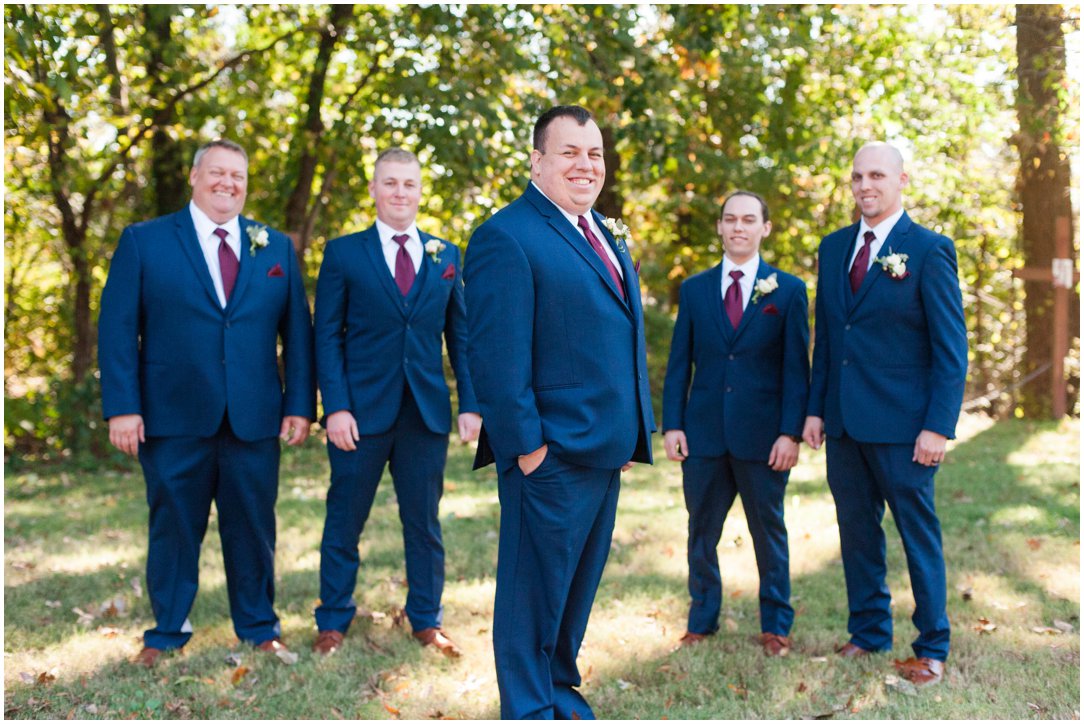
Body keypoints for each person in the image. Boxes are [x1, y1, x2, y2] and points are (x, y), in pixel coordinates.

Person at [464, 105, 655, 719]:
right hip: (548, 455)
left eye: (594, 153)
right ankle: (527, 707)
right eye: (569, 151)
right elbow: (496, 358)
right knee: (531, 597)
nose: (585, 164)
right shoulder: (508, 235)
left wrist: (628, 434)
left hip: (601, 451)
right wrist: (529, 451)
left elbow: (615, 337)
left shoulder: (597, 230)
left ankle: (558, 691)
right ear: (537, 161)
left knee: (574, 590)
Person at [98, 139, 315, 667]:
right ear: (195, 177)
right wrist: (122, 407)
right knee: (173, 526)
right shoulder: (144, 242)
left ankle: (260, 626)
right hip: (173, 416)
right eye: (217, 172)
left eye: (237, 175)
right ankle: (167, 631)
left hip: (254, 417)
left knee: (254, 527)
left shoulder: (275, 248)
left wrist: (299, 405)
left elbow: (298, 336)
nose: (228, 183)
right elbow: (118, 328)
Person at [802, 142, 967, 687]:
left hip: (906, 428)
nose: (865, 185)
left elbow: (950, 348)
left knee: (918, 536)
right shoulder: (833, 249)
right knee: (857, 533)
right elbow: (829, 337)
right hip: (844, 422)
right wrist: (815, 410)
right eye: (856, 177)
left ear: (900, 181)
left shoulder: (928, 250)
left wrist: (938, 426)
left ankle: (932, 645)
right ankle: (869, 630)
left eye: (876, 175)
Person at [311, 148, 480, 658]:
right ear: (374, 189)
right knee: (344, 518)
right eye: (390, 183)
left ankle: (427, 619)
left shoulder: (445, 255)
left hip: (424, 413)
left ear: (419, 190)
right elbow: (327, 336)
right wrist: (335, 407)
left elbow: (462, 338)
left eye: (409, 184)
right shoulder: (344, 253)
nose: (400, 192)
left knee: (424, 522)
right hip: (358, 415)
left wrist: (470, 403)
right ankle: (333, 620)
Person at [662, 191, 809, 657]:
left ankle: (776, 625)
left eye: (749, 219)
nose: (738, 227)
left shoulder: (786, 291)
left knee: (770, 533)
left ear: (765, 228)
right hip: (703, 433)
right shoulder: (694, 289)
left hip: (764, 438)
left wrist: (789, 432)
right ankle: (702, 620)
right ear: (720, 228)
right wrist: (673, 424)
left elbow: (795, 369)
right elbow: (679, 362)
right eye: (730, 219)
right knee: (701, 531)